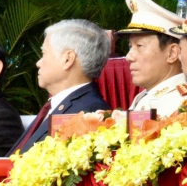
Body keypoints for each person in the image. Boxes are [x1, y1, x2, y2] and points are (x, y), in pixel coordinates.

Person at [10, 20, 112, 155]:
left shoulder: (89, 113)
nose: (38, 63)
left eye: (44, 54)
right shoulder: (67, 105)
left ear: (68, 59)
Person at [116, 0, 187, 116]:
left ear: (172, 53)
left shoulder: (179, 103)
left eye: (140, 46)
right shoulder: (148, 96)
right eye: (130, 46)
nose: (129, 57)